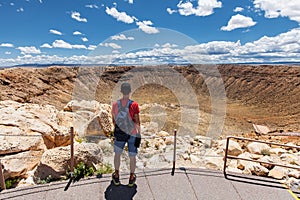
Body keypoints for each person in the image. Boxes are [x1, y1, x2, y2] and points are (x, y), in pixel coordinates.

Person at [111, 82, 141, 187]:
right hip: (132, 133)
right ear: (130, 91)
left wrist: (118, 130)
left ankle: (117, 175)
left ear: (121, 91)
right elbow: (137, 122)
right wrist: (139, 134)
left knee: (117, 154)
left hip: (119, 133)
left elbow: (114, 121)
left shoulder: (115, 104)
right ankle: (131, 177)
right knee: (132, 156)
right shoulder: (134, 105)